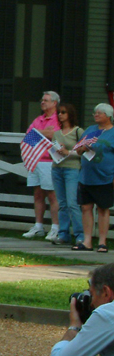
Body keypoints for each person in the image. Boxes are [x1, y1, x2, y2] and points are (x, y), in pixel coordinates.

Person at [75, 104, 114, 253]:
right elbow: (78, 151)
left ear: (108, 116)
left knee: (103, 208)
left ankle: (102, 242)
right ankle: (87, 241)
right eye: (95, 113)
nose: (96, 115)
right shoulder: (90, 130)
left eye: (99, 113)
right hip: (86, 176)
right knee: (86, 207)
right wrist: (83, 147)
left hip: (105, 176)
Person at [24, 91, 62, 240]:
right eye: (42, 100)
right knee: (38, 194)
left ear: (54, 103)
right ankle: (38, 226)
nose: (42, 102)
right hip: (36, 160)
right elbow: (28, 136)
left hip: (49, 161)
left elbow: (56, 135)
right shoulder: (38, 119)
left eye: (46, 100)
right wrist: (44, 132)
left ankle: (55, 227)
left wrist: (37, 133)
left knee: (52, 195)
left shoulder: (58, 119)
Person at [51, 102, 85, 246]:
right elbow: (53, 150)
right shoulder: (57, 133)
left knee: (72, 203)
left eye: (63, 112)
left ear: (70, 114)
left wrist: (67, 152)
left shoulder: (78, 131)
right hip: (57, 168)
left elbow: (84, 152)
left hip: (72, 169)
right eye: (59, 112)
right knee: (62, 204)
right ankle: (63, 234)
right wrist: (57, 151)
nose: (60, 114)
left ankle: (80, 235)